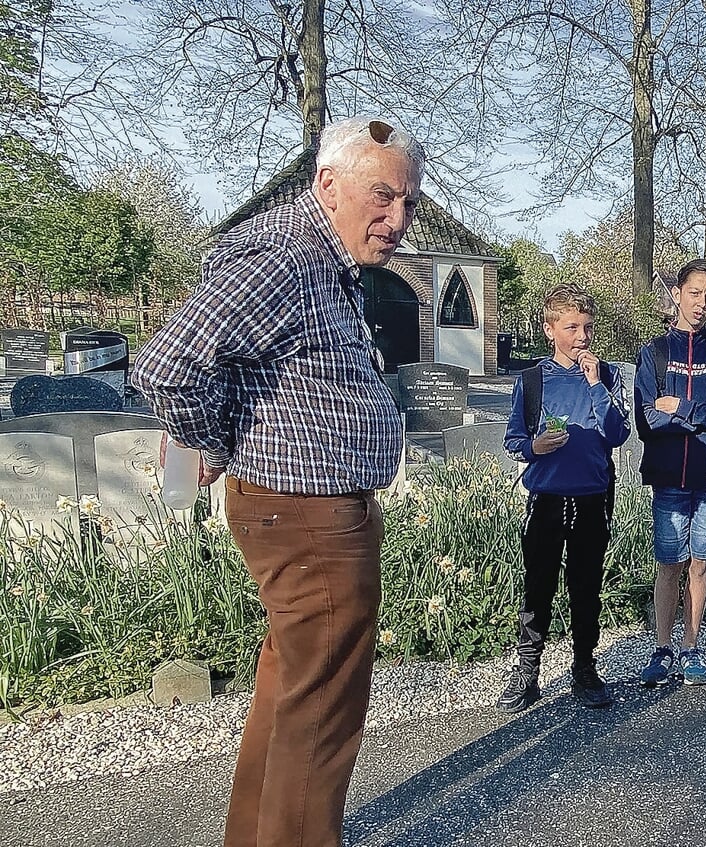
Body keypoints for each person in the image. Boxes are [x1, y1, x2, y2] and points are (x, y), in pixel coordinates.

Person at [130, 117, 423, 847]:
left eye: (409, 202)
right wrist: (213, 438)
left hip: (307, 511)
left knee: (291, 691)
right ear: (327, 183)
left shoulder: (319, 258)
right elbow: (168, 365)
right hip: (308, 516)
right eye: (381, 196)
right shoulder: (288, 259)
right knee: (322, 709)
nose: (397, 219)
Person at [496, 283, 631, 714]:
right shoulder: (532, 380)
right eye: (572, 327)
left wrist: (594, 385)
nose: (582, 337)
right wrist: (534, 448)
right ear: (549, 328)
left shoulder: (606, 375)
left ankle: (585, 668)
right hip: (546, 498)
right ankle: (528, 670)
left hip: (593, 498)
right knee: (537, 587)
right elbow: (513, 439)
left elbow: (618, 433)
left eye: (587, 327)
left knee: (586, 588)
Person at [635, 258, 706, 686]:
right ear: (678, 294)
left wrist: (681, 409)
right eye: (695, 293)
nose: (702, 304)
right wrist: (704, 416)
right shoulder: (655, 353)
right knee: (668, 563)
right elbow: (646, 421)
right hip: (668, 476)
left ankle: (691, 647)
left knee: (701, 563)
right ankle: (662, 648)